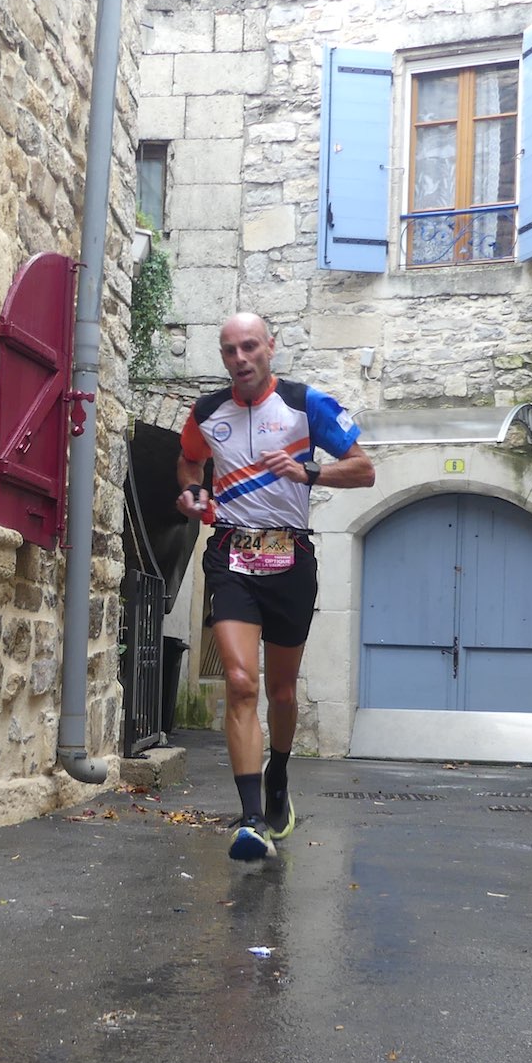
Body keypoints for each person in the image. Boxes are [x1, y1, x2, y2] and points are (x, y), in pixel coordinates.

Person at [177, 313, 376, 861]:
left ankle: (279, 776)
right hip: (230, 554)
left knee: (281, 691)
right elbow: (189, 462)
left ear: (270, 346)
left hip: (290, 557)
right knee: (242, 683)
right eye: (229, 351)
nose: (240, 359)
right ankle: (251, 820)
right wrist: (193, 493)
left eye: (249, 347)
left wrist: (306, 472)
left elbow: (364, 470)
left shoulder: (305, 405)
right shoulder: (206, 412)